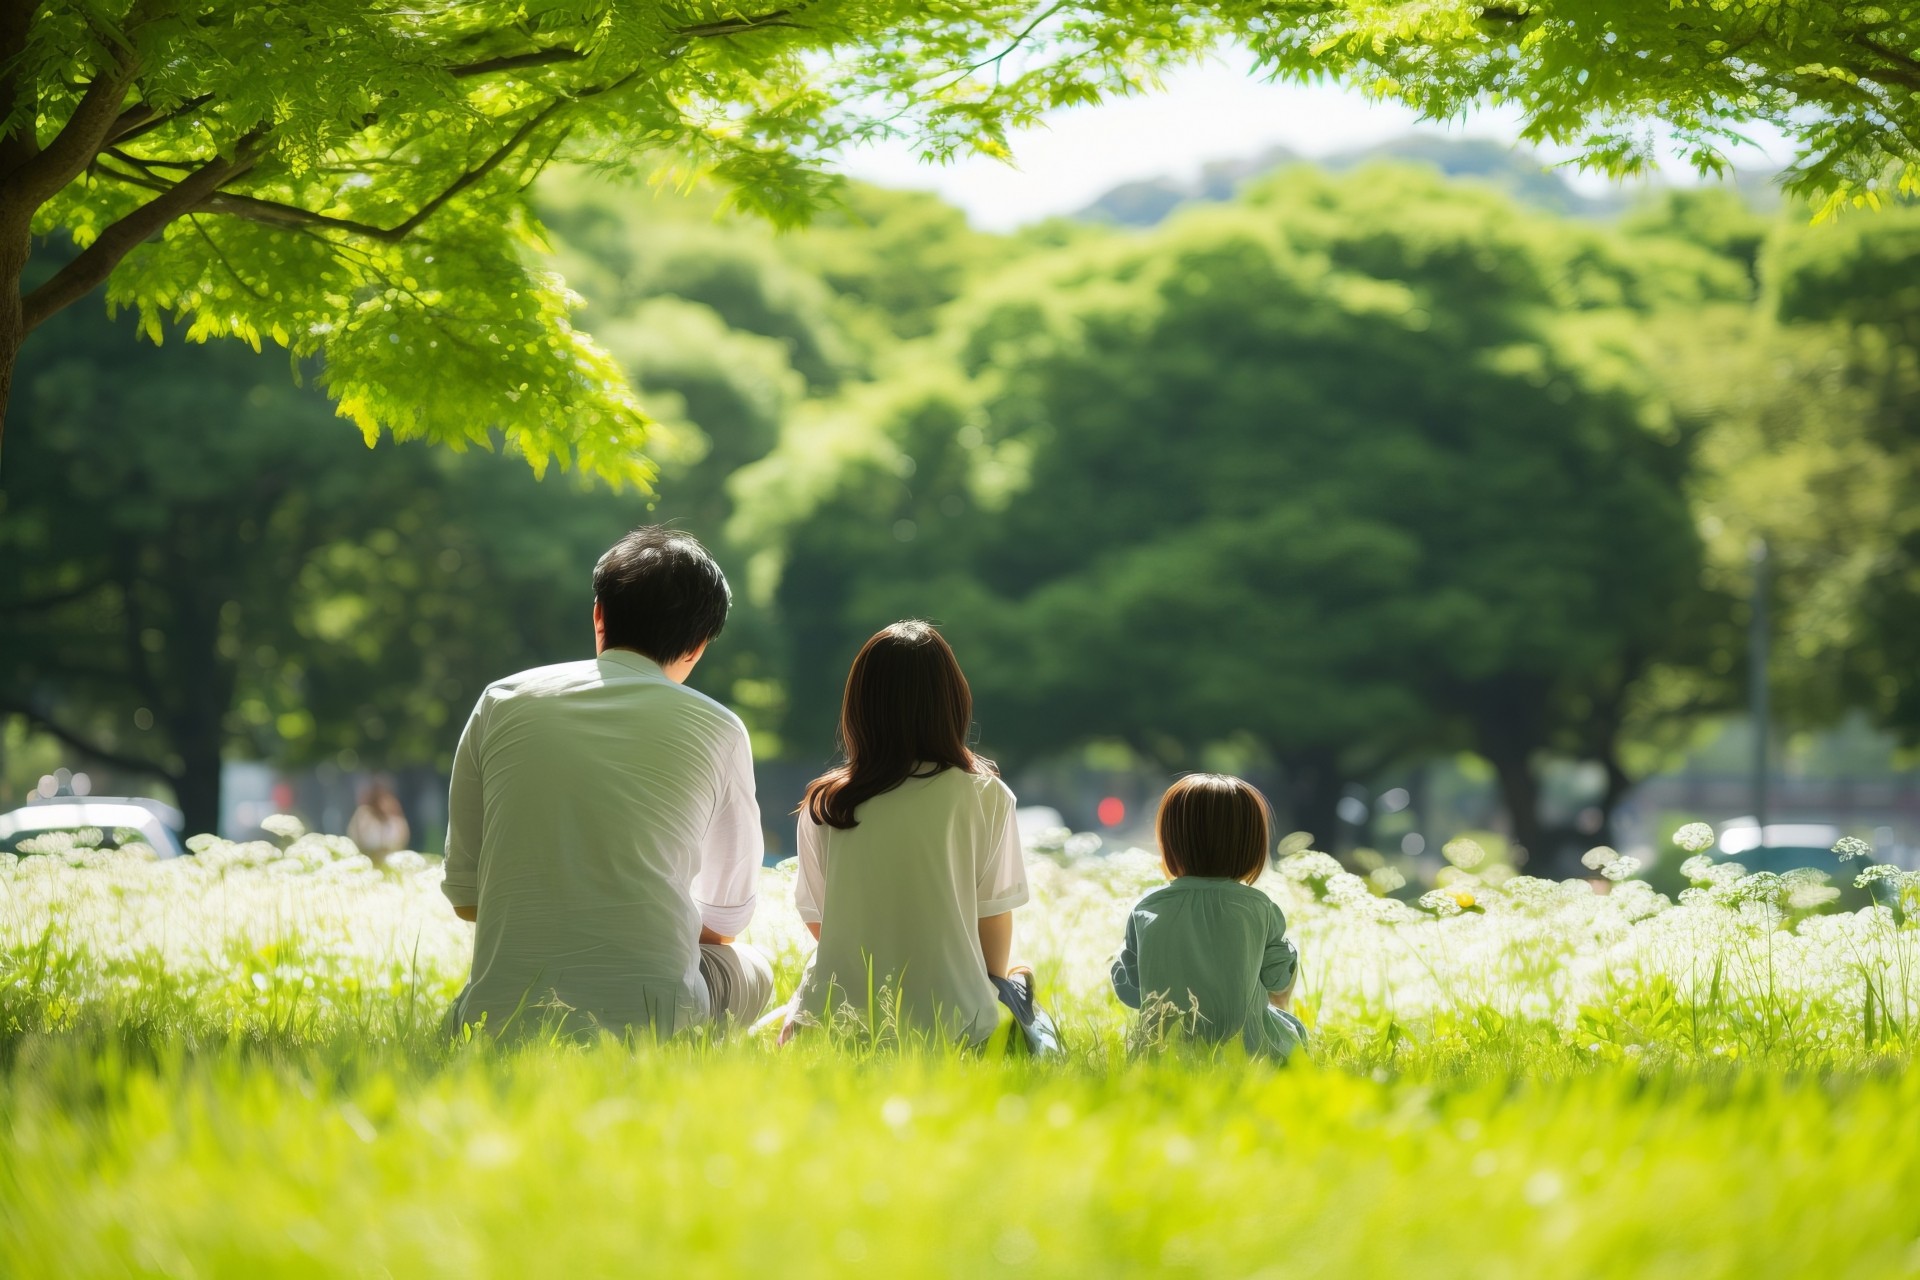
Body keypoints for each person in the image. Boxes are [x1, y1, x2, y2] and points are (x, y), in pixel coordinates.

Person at [440, 527, 772, 1040]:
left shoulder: (500, 702)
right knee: (753, 970)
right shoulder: (719, 728)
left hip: (497, 1021)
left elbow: (468, 900)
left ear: (599, 614)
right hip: (658, 1022)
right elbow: (723, 925)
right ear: (699, 645)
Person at [785, 620, 1043, 1048]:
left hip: (839, 1027)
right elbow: (992, 936)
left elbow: (823, 926)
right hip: (960, 1028)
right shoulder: (985, 795)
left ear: (858, 706)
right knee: (1021, 977)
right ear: (953, 702)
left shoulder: (827, 803)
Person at [1110, 774, 1306, 1059]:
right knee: (1292, 1029)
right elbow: (1278, 980)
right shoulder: (1259, 907)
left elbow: (1131, 993)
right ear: (1250, 845)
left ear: (1169, 842)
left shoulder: (1147, 908)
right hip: (1249, 1050)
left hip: (1161, 1055)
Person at [347, 777, 410, 861]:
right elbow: (357, 837)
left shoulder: (394, 815)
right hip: (368, 856)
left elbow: (402, 838)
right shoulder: (364, 814)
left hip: (390, 857)